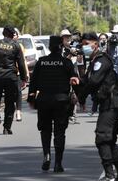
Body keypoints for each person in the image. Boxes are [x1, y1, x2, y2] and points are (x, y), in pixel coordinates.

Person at [77, 32, 118, 181]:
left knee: (102, 138)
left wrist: (81, 96)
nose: (84, 47)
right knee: (109, 140)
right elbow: (86, 80)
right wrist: (76, 82)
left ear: (96, 44)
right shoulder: (94, 61)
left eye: (87, 43)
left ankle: (109, 176)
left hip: (112, 104)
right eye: (82, 44)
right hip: (111, 104)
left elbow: (94, 81)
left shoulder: (101, 60)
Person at [27, 36, 79, 173]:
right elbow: (75, 81)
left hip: (44, 100)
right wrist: (81, 98)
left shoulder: (41, 62)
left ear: (49, 48)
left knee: (45, 130)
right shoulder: (66, 62)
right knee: (59, 132)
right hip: (61, 101)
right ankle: (58, 164)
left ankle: (46, 155)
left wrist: (31, 99)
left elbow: (33, 83)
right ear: (61, 47)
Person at [13, 31, 29, 122]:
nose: (14, 36)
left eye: (15, 35)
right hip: (8, 73)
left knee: (18, 92)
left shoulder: (20, 46)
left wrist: (26, 74)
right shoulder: (6, 46)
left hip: (18, 72)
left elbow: (23, 61)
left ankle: (18, 112)